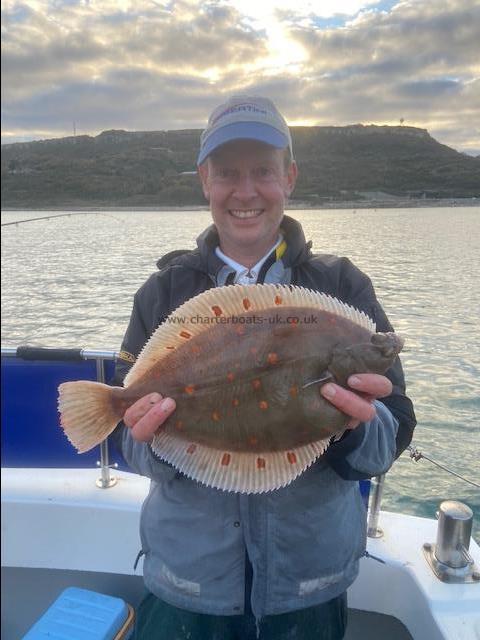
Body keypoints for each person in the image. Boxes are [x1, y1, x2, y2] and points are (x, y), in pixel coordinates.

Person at [110, 95, 416, 640]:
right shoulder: (163, 295)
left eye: (263, 173)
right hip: (189, 586)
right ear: (205, 181)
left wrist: (353, 428)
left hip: (308, 587)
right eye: (228, 173)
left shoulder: (343, 288)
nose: (245, 191)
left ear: (289, 178)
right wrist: (154, 438)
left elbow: (388, 440)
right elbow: (129, 445)